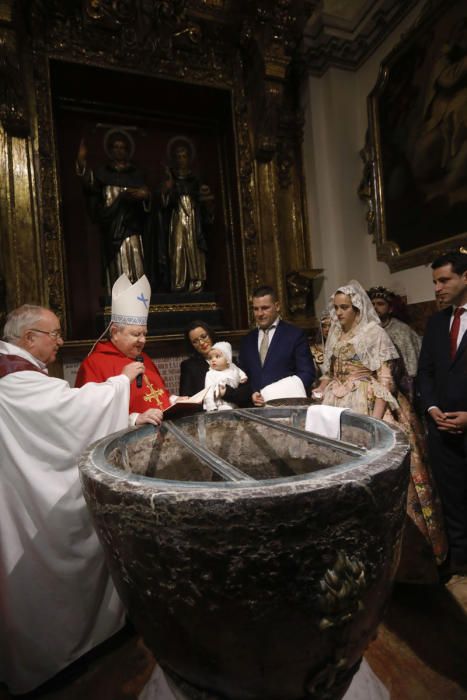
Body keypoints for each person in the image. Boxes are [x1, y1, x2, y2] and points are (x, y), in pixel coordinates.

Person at [0, 304, 145, 694]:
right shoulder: (16, 381)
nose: (61, 341)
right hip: (32, 499)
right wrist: (120, 384)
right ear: (29, 338)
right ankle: (57, 658)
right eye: (56, 334)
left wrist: (130, 419)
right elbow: (70, 412)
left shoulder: (14, 372)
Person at [314, 280, 447, 583]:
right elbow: (331, 373)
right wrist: (322, 389)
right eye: (335, 307)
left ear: (358, 307)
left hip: (370, 404)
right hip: (338, 405)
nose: (338, 313)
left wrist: (375, 422)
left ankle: (404, 560)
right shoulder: (336, 334)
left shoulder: (373, 333)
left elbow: (385, 380)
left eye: (344, 307)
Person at [417, 251, 467, 577]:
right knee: (452, 504)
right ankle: (461, 568)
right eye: (434, 282)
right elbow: (425, 374)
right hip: (442, 431)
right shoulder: (436, 323)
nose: (437, 288)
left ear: (466, 278)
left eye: (444, 280)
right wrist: (432, 409)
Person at [76, 274, 175, 425]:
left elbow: (160, 394)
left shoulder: (145, 358)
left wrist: (174, 401)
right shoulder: (94, 364)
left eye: (144, 334)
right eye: (136, 334)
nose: (143, 340)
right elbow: (90, 413)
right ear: (115, 332)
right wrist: (134, 419)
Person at [76, 129, 151, 291]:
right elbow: (90, 186)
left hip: (132, 223)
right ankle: (119, 295)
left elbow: (147, 199)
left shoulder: (135, 174)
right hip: (112, 224)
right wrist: (82, 163)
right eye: (115, 147)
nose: (119, 150)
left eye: (122, 147)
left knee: (135, 255)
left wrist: (144, 196)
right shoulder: (103, 172)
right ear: (110, 150)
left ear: (127, 151)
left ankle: (138, 294)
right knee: (117, 259)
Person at [238, 285, 315, 406]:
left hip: (286, 407)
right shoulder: (247, 340)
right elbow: (242, 376)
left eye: (265, 308)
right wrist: (251, 394)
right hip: (254, 409)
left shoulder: (294, 335)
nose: (260, 313)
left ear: (277, 306)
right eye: (256, 309)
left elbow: (307, 373)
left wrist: (273, 394)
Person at [161, 137, 214, 293]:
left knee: (193, 248)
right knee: (177, 248)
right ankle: (179, 283)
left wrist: (207, 201)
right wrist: (168, 190)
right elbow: (163, 205)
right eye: (178, 156)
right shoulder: (170, 179)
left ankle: (196, 282)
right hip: (177, 217)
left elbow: (205, 202)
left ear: (189, 159)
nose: (181, 160)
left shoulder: (195, 180)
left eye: (184, 156)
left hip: (193, 218)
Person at [367, 286, 422, 401]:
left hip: (400, 384)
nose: (375, 307)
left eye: (380, 304)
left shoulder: (402, 330)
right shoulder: (367, 331)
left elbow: (411, 365)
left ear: (390, 308)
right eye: (372, 304)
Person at [179, 320, 252, 406]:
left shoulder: (229, 359)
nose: (201, 343)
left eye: (204, 336)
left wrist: (225, 392)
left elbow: (246, 392)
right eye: (195, 341)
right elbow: (186, 399)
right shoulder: (188, 366)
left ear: (210, 335)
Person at [203, 341, 248, 412]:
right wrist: (210, 403)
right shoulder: (210, 374)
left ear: (227, 359)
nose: (213, 360)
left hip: (233, 399)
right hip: (219, 402)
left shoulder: (233, 367)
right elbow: (208, 390)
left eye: (217, 356)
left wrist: (243, 376)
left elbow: (239, 371)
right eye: (210, 358)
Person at [310, 310, 331, 380]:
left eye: (330, 326)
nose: (327, 329)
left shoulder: (343, 347)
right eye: (324, 326)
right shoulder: (314, 350)